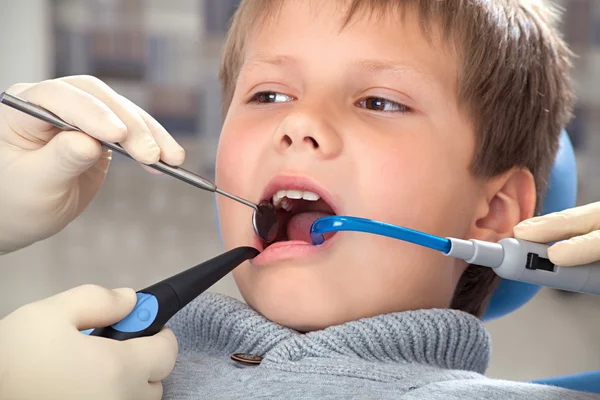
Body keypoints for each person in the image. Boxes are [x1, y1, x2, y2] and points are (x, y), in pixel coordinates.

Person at [1, 0, 599, 399]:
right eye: (268, 94)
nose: (300, 122)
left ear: (492, 214)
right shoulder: (68, 360)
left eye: (379, 102)